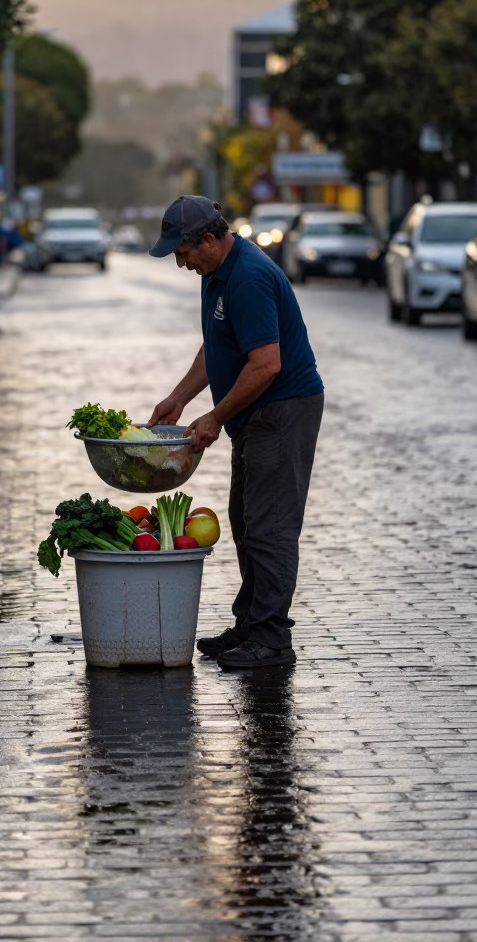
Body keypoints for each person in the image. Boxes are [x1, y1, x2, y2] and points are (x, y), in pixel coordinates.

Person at [147, 195, 324, 671]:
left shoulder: (246, 278)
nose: (179, 263)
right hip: (257, 413)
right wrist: (180, 398)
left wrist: (215, 417)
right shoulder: (216, 273)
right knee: (244, 519)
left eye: (182, 252)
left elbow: (266, 365)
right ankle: (250, 624)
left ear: (209, 239)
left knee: (270, 527)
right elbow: (219, 345)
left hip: (282, 411)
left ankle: (271, 638)